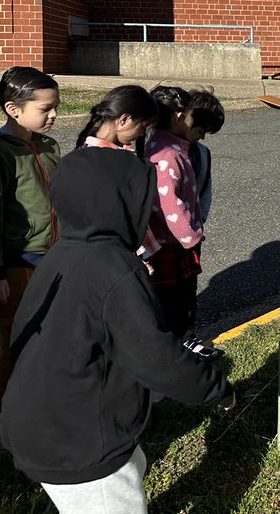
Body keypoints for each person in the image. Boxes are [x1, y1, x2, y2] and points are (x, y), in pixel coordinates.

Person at [1, 143, 234, 514]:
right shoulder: (114, 270)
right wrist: (214, 388)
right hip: (78, 438)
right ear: (122, 206)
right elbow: (155, 356)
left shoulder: (63, 254)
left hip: (39, 420)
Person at [0, 67, 61, 445]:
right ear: (13, 109)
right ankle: (1, 416)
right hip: (16, 267)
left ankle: (43, 407)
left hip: (55, 260)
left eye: (56, 107)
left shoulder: (48, 146)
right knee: (15, 340)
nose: (54, 115)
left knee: (52, 338)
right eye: (45, 108)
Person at [144, 86, 203, 339]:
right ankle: (176, 350)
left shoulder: (172, 147)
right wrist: (191, 237)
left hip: (173, 241)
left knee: (177, 303)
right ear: (178, 116)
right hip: (171, 242)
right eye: (190, 116)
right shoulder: (167, 155)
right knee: (174, 305)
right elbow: (169, 205)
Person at [76, 85, 157, 154]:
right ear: (124, 120)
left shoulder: (86, 149)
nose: (141, 134)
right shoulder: (111, 159)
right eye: (142, 127)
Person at [185, 89, 224, 225]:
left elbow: (206, 187)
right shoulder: (165, 152)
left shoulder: (202, 153)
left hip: (194, 225)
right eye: (200, 131)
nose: (202, 137)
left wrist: (201, 219)